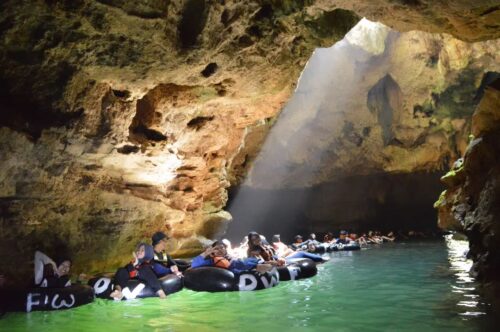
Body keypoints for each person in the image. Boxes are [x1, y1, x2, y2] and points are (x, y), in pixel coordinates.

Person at [191, 241, 271, 274]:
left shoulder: (229, 257)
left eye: (221, 248)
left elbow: (241, 262)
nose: (219, 250)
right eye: (216, 249)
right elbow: (194, 265)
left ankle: (261, 264)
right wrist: (205, 253)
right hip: (233, 273)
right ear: (212, 251)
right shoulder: (211, 261)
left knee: (244, 260)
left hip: (241, 267)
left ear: (225, 249)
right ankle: (258, 266)